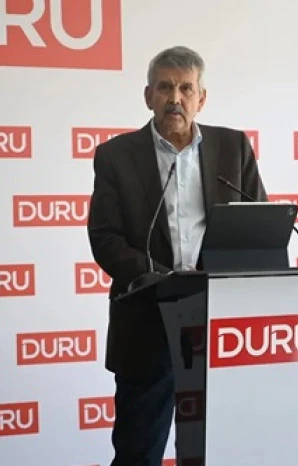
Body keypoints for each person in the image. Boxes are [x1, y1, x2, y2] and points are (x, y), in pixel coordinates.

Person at [86, 45, 267, 465]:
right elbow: (106, 237)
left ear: (201, 98)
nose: (175, 98)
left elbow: (257, 226)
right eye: (165, 87)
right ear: (148, 96)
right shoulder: (116, 156)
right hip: (146, 322)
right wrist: (159, 279)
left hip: (221, 325)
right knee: (138, 453)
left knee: (217, 450)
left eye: (186, 88)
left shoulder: (234, 147)